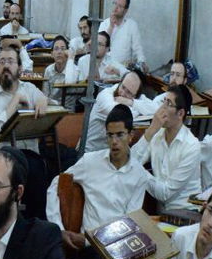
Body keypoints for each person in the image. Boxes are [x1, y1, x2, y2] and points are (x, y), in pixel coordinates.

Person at [46, 104, 150, 243]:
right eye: (110, 135)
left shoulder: (139, 175)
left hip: (118, 244)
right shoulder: (90, 162)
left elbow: (130, 223)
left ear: (131, 136)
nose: (114, 141)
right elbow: (56, 183)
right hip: (88, 246)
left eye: (120, 135)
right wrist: (58, 228)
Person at [132, 84, 202, 213]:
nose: (161, 108)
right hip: (163, 211)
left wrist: (138, 170)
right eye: (163, 101)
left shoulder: (191, 146)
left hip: (186, 211)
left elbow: (165, 193)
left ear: (180, 113)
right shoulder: (157, 134)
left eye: (168, 103)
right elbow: (130, 161)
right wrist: (151, 130)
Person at [0, 43, 48, 149]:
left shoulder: (29, 88)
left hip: (30, 153)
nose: (6, 66)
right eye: (2, 62)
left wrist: (43, 99)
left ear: (20, 68)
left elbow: (52, 103)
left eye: (11, 61)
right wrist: (16, 99)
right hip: (2, 154)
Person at [99, 0, 146, 70]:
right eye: (114, 3)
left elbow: (138, 49)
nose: (115, 8)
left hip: (123, 70)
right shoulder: (104, 23)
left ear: (126, 10)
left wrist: (142, 62)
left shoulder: (131, 25)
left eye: (120, 6)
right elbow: (100, 46)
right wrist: (111, 26)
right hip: (105, 69)